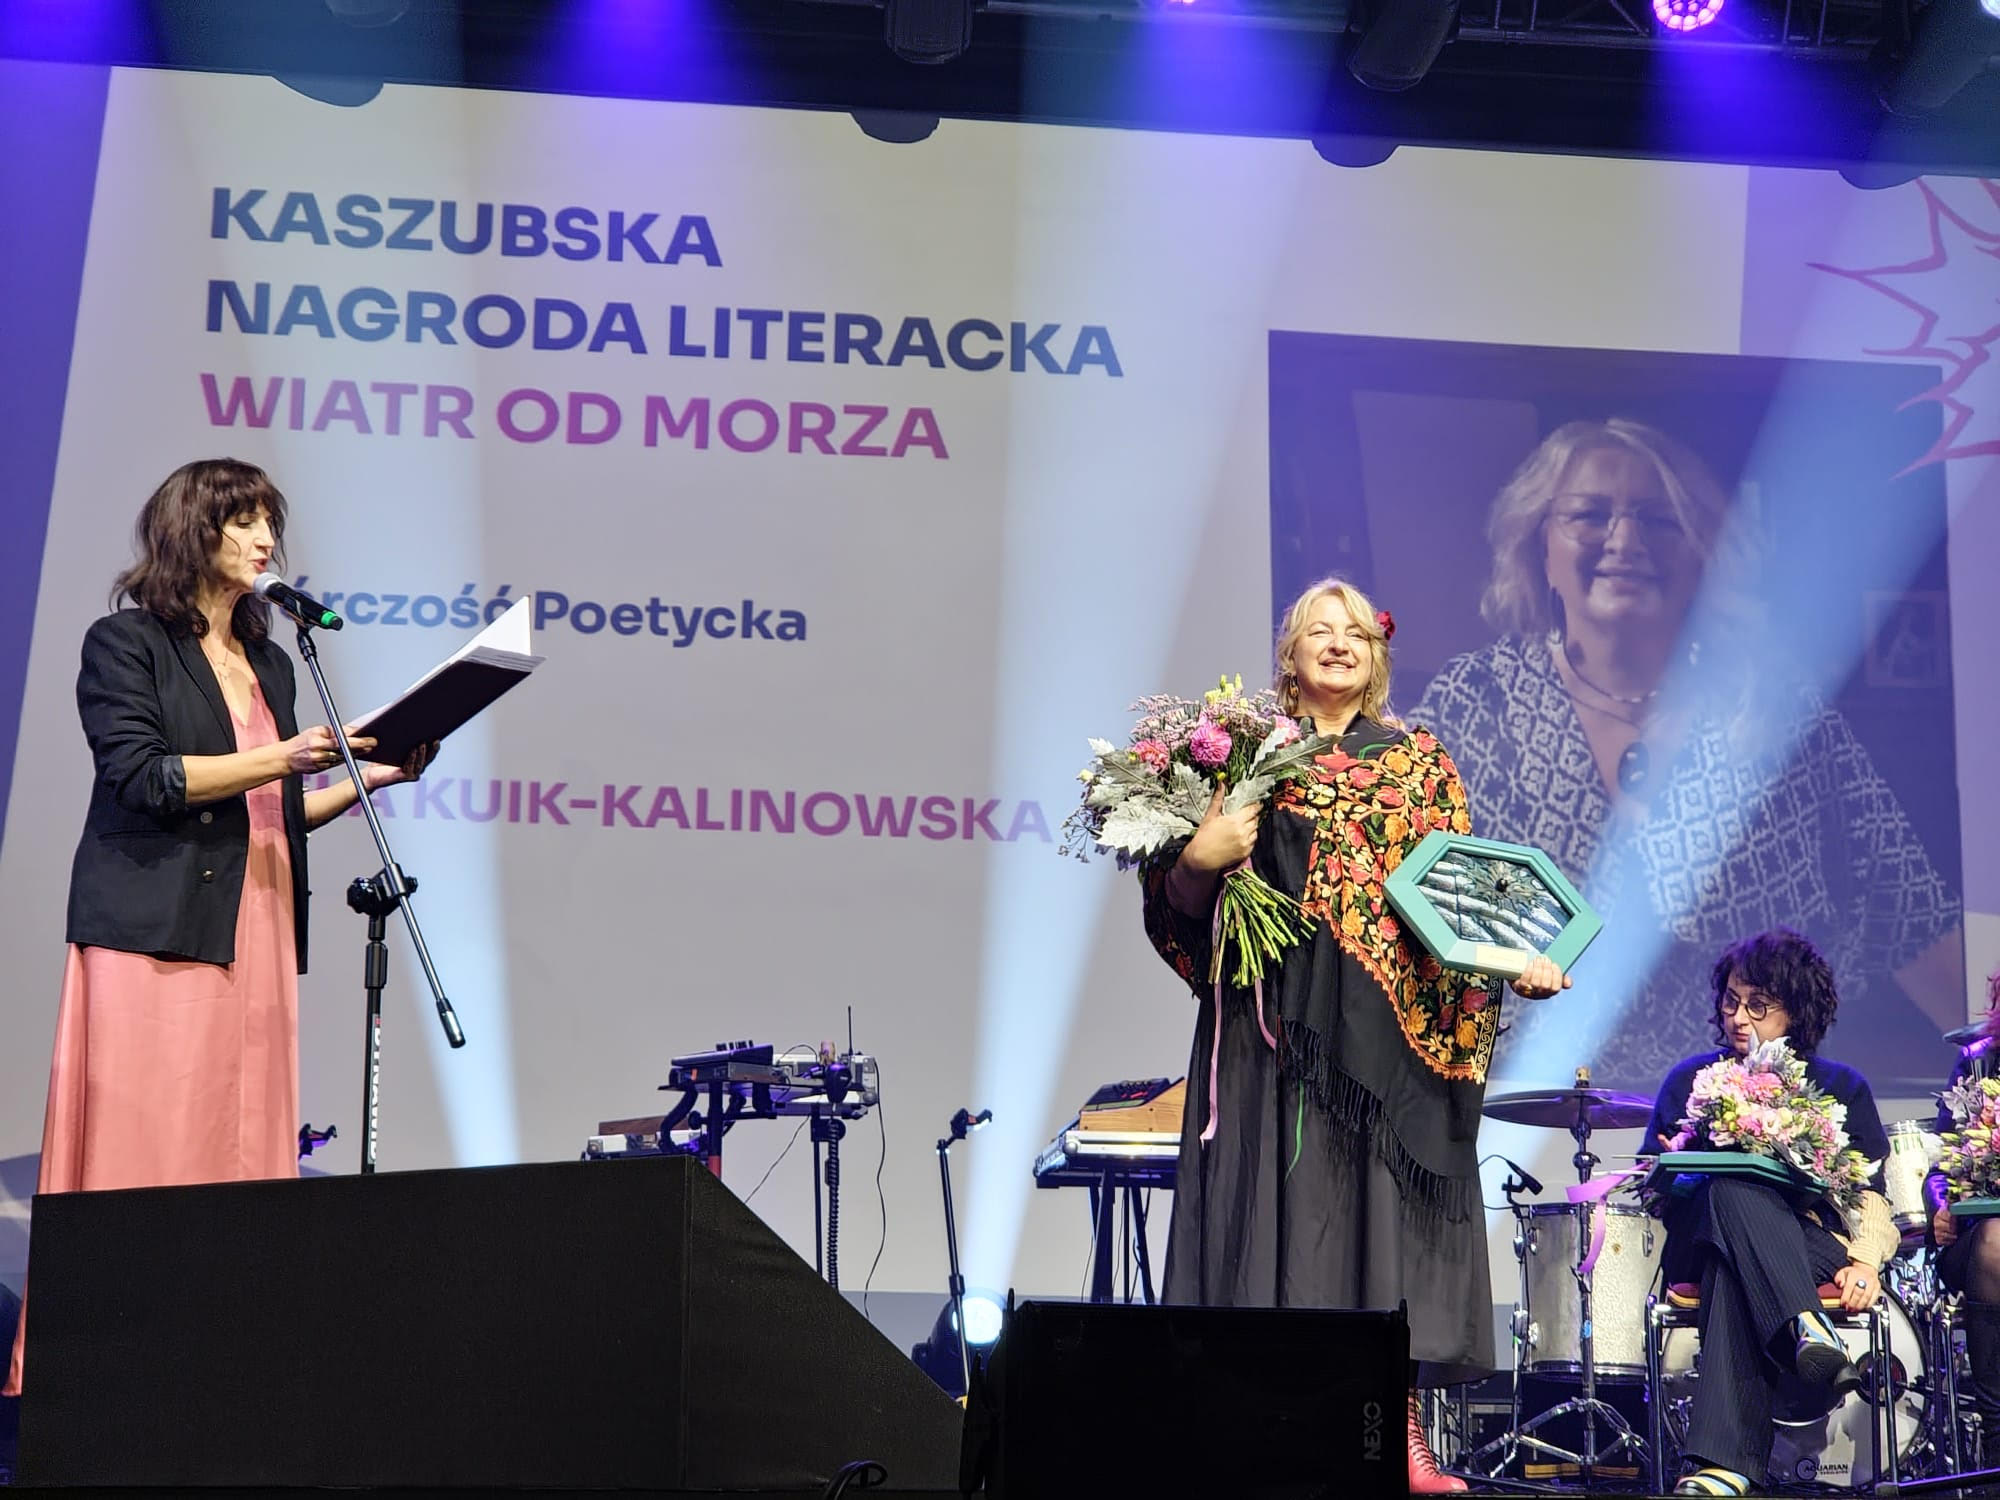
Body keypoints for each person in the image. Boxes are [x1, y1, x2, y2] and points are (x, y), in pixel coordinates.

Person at [3, 458, 435, 1397]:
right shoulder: (127, 643)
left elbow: (273, 812)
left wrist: (376, 776)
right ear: (192, 531)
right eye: (243, 520)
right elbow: (145, 777)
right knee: (151, 1143)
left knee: (241, 1145)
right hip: (156, 931)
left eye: (270, 521)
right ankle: (105, 1371)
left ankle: (221, 1370)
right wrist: (284, 757)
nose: (265, 539)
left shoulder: (272, 659)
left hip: (256, 925)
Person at [1141, 577, 1571, 1494]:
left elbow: (1462, 895)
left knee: (1384, 1234)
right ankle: (1247, 1438)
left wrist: (1518, 961)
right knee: (1263, 1227)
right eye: (1319, 630)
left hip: (1385, 1037)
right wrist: (1196, 861)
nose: (1338, 643)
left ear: (1375, 657)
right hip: (1266, 1031)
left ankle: (1397, 1437)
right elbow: (1178, 912)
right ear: (1289, 653)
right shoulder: (1242, 757)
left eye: (1355, 634)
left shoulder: (1419, 762)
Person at [1411, 418, 1962, 1093]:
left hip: (1751, 1116)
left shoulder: (1773, 708)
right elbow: (1411, 887)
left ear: (1702, 550)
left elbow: (1907, 907)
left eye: (1658, 519)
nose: (1625, 541)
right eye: (1590, 515)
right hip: (1526, 1110)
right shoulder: (1475, 701)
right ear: (1539, 547)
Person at [1642, 928, 1898, 1497]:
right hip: (1700, 1236)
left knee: (1730, 1259)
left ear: (1796, 1012)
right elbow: (1655, 1192)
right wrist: (1679, 1170)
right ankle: (1802, 1329)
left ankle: (1723, 1465)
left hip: (1811, 1245)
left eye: (1758, 1004)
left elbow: (1871, 1195)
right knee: (1728, 1189)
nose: (1739, 1017)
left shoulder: (1841, 1087)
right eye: (1731, 1001)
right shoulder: (1690, 1081)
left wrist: (1865, 1262)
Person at [1925, 966, 2000, 1459]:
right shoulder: (1978, 1064)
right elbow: (1939, 1169)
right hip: (1979, 1246)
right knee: (1997, 1238)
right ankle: (1997, 1439)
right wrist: (1940, 1207)